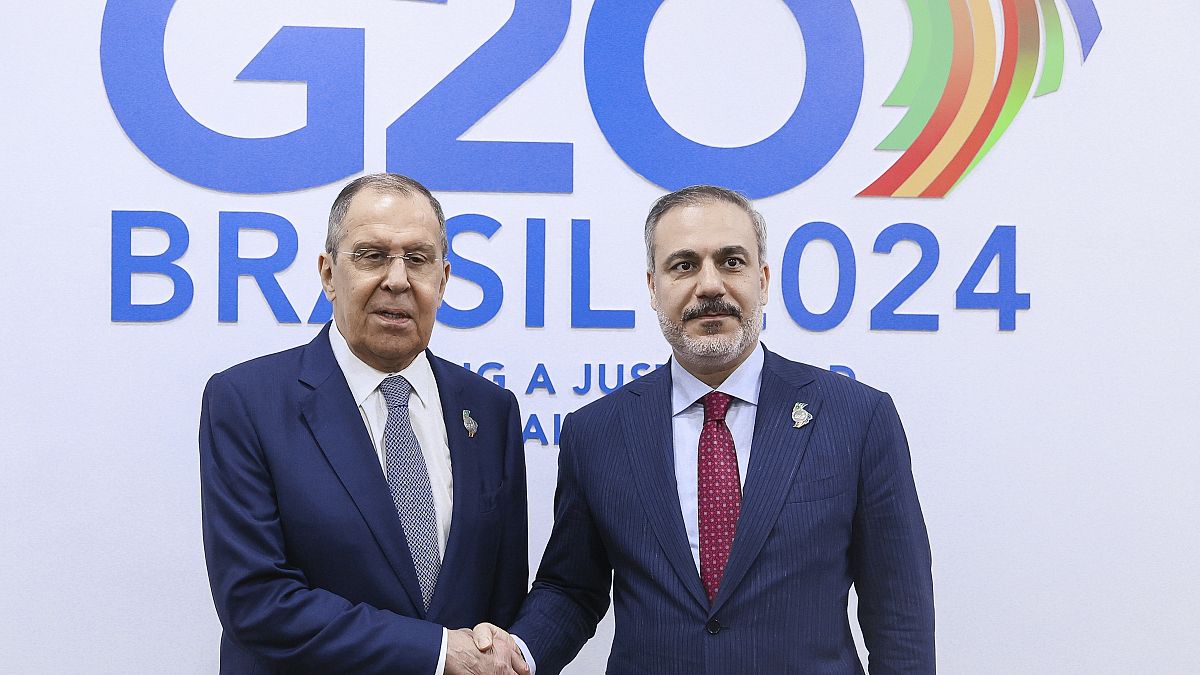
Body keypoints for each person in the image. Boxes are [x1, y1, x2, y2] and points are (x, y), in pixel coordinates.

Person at [492, 185, 935, 673]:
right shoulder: (595, 433)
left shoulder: (857, 418)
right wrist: (519, 656)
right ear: (652, 287)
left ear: (763, 281)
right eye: (683, 265)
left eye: (731, 262)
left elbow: (900, 617)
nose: (709, 286)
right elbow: (572, 588)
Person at [200, 174, 530, 675]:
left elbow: (503, 601)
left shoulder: (489, 411)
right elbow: (256, 600)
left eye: (417, 260)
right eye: (372, 256)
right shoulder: (246, 402)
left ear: (442, 279)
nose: (397, 280)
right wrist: (436, 652)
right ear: (329, 274)